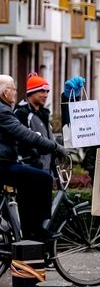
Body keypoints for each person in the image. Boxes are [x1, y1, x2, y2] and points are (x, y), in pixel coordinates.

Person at [0, 75, 64, 244]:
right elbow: (25, 134)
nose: (15, 92)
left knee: (28, 183)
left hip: (6, 162)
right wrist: (55, 147)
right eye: (13, 88)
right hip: (3, 164)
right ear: (5, 92)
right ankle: (35, 231)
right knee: (42, 179)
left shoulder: (4, 109)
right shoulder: (4, 111)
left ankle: (29, 232)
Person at [15, 74, 55, 174]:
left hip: (46, 171)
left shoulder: (44, 113)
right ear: (31, 92)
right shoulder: (21, 113)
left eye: (47, 92)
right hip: (31, 171)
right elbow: (20, 142)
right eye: (42, 91)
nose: (45, 95)